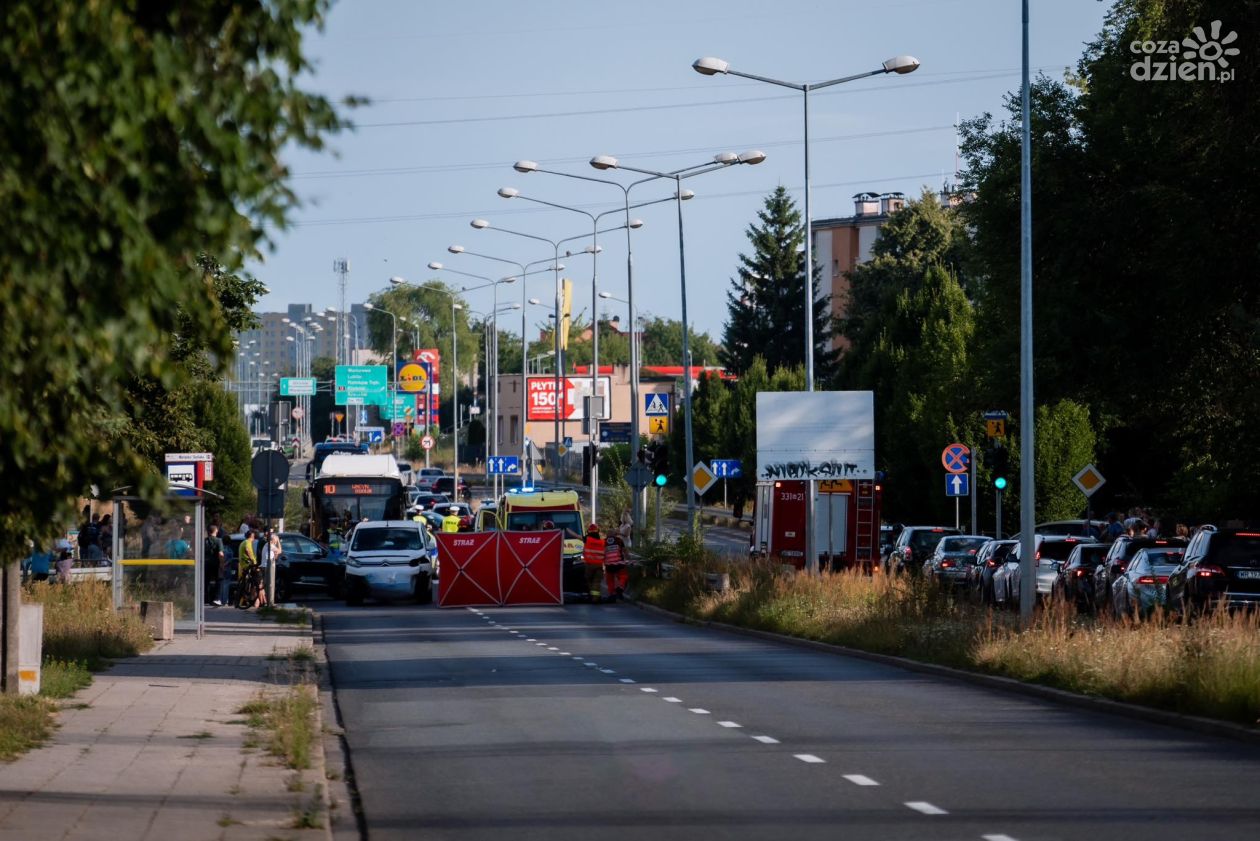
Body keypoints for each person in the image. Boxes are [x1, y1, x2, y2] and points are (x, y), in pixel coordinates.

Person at [583, 523, 606, 604]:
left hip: (589, 565)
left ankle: (593, 597)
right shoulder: (602, 542)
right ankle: (596, 597)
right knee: (597, 582)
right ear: (598, 531)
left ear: (588, 531)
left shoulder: (587, 539)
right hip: (599, 565)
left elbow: (576, 536)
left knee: (589, 581)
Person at [603, 534, 629, 602]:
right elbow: (624, 550)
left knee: (610, 580)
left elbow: (602, 553)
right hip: (619, 563)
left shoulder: (604, 541)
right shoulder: (619, 540)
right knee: (623, 576)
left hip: (609, 565)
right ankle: (620, 588)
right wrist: (628, 558)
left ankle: (612, 594)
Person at [205, 525, 225, 606]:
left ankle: (206, 598)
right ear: (216, 531)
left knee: (206, 581)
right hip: (216, 563)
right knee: (219, 580)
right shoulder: (218, 540)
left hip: (206, 563)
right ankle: (217, 598)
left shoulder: (204, 541)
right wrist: (222, 564)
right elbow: (220, 553)